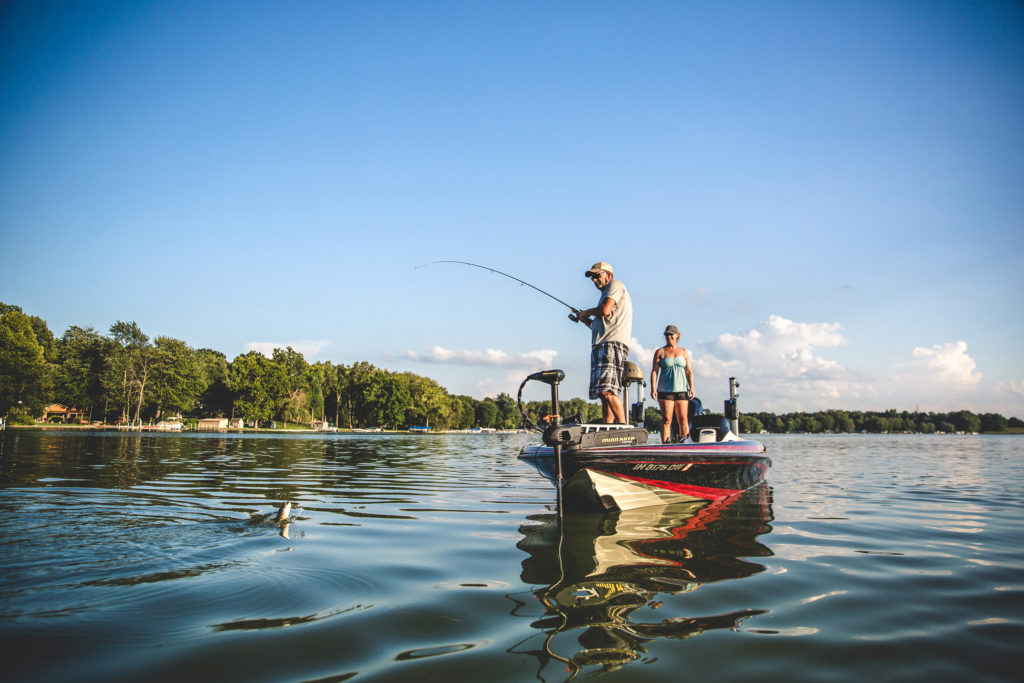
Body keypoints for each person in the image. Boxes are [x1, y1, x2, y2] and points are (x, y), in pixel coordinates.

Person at [574, 262, 633, 423]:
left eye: (597, 275)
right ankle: (608, 429)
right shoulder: (604, 295)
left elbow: (605, 310)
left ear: (609, 275)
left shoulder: (615, 285)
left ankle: (623, 426)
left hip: (612, 344)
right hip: (601, 344)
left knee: (608, 390)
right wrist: (584, 318)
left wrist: (587, 311)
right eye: (592, 277)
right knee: (602, 392)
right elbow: (596, 325)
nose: (594, 280)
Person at [650, 325, 693, 443]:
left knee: (683, 419)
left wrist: (692, 388)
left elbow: (689, 371)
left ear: (677, 335)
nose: (669, 336)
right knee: (667, 419)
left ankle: (684, 444)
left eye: (671, 334)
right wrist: (653, 388)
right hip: (665, 390)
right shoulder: (660, 352)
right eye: (667, 334)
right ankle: (665, 445)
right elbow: (654, 371)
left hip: (681, 389)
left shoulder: (684, 352)